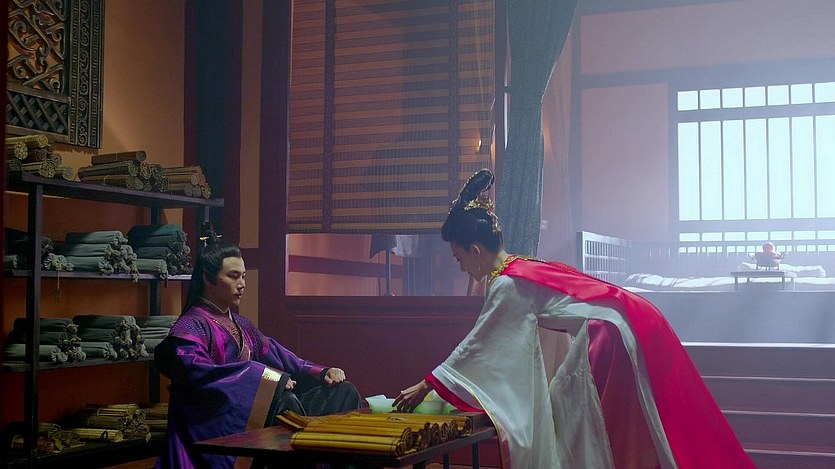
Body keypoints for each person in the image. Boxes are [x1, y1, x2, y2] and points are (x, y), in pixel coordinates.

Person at [393, 169, 755, 469]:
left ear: (474, 250)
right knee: (591, 412)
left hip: (611, 334)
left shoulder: (506, 283)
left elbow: (480, 344)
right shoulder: (521, 266)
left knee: (571, 416)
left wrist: (428, 383)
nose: (461, 267)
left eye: (459, 258)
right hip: (628, 320)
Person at [154, 233, 361, 469]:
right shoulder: (191, 326)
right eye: (233, 276)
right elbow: (198, 374)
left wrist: (321, 371)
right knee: (284, 400)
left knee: (342, 392)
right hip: (214, 420)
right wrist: (269, 381)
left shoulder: (242, 324)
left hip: (251, 412)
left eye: (243, 276)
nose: (242, 284)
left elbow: (277, 354)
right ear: (207, 278)